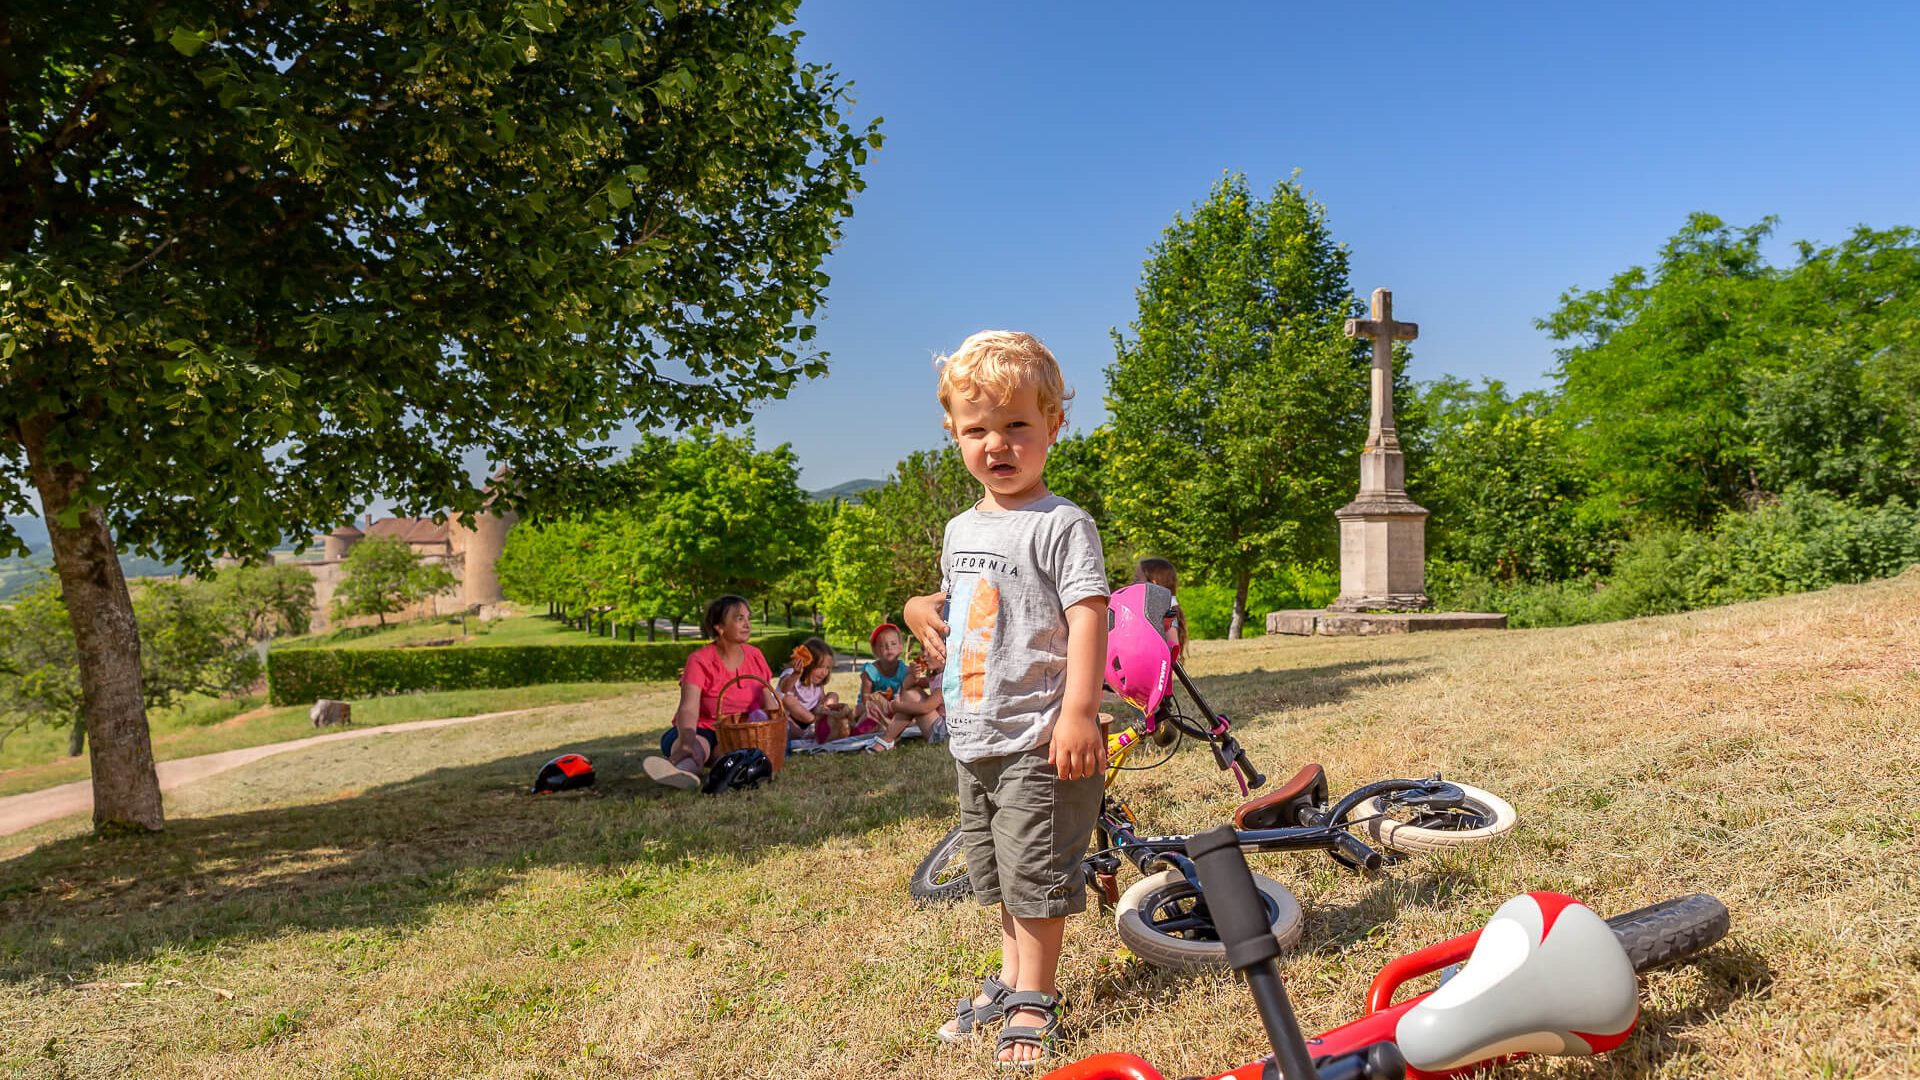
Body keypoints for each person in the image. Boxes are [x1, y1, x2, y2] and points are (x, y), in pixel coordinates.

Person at [904, 330, 1109, 1066]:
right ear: (954, 434)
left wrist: (1079, 712)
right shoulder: (961, 527)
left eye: (1017, 424)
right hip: (975, 735)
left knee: (1036, 874)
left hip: (1037, 734)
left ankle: (1037, 996)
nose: (997, 443)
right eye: (977, 429)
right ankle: (1012, 976)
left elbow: (1090, 611)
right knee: (998, 874)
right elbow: (967, 596)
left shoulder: (1062, 524)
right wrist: (915, 609)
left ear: (1053, 426)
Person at [643, 594, 781, 790]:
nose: (747, 624)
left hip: (738, 731)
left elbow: (770, 704)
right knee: (697, 749)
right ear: (719, 626)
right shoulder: (699, 660)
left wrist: (775, 731)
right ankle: (684, 771)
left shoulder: (756, 655)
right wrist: (686, 742)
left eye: (748, 618)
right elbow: (688, 708)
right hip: (702, 728)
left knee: (731, 755)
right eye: (739, 618)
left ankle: (691, 767)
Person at [860, 622, 944, 752]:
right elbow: (907, 687)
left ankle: (887, 739)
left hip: (945, 735)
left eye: (929, 650)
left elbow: (925, 708)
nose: (924, 655)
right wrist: (914, 677)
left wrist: (895, 706)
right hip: (940, 729)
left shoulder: (947, 680)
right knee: (911, 692)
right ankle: (888, 738)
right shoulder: (935, 676)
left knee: (911, 702)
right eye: (923, 649)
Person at [778, 636, 855, 742]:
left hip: (813, 716)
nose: (824, 672)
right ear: (807, 664)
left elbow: (820, 701)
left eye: (827, 668)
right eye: (820, 667)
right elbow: (783, 689)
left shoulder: (817, 684)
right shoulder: (792, 674)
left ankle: (824, 723)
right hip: (791, 719)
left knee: (833, 695)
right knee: (787, 699)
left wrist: (824, 708)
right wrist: (796, 674)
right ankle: (813, 728)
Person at [1134, 556, 1188, 660]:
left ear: (1153, 583)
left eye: (1137, 579)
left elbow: (1173, 643)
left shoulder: (1168, 607)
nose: (1133, 582)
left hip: (1157, 666)